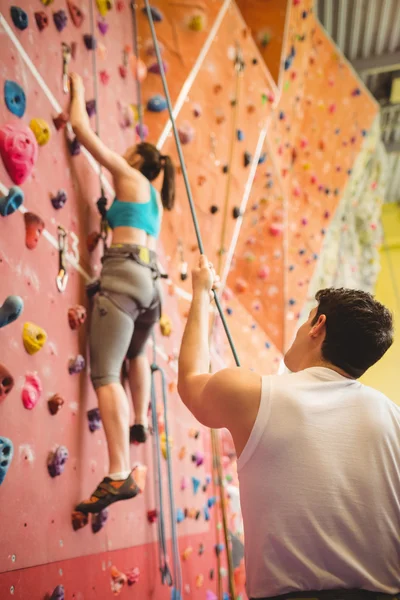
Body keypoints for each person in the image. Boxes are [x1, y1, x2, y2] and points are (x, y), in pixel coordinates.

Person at [178, 255, 400, 600]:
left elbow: (191, 382)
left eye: (306, 320)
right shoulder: (394, 418)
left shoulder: (251, 392)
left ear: (318, 325)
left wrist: (201, 293)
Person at [69, 73, 175, 514]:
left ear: (136, 159)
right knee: (136, 354)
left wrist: (76, 86)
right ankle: (138, 421)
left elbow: (82, 130)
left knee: (105, 375)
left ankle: (118, 472)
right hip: (152, 285)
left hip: (124, 277)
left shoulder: (128, 174)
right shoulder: (156, 202)